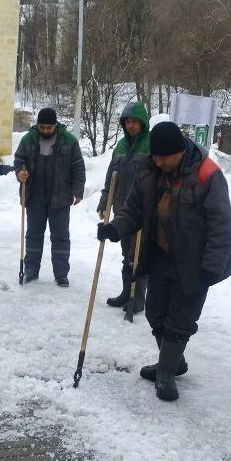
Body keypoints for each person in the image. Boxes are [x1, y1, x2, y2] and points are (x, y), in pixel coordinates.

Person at [97, 121, 231, 401]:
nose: (158, 162)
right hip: (159, 254)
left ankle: (166, 372)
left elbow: (222, 226)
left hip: (195, 262)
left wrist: (212, 267)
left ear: (180, 151)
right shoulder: (150, 172)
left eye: (163, 157)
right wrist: (115, 228)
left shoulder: (207, 174)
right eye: (155, 156)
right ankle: (173, 361)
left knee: (180, 319)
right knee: (155, 313)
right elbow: (133, 209)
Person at [13, 108, 85, 286]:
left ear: (55, 125)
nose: (45, 130)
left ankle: (61, 274)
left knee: (60, 236)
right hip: (35, 195)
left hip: (60, 195)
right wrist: (20, 172)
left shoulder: (69, 141)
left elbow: (78, 166)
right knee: (33, 235)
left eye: (49, 127)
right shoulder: (28, 139)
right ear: (37, 125)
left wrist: (78, 190)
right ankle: (31, 270)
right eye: (42, 127)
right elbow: (19, 160)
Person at [98, 101, 152, 311]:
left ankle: (137, 298)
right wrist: (105, 202)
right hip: (122, 210)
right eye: (127, 122)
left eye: (134, 122)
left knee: (137, 256)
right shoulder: (121, 146)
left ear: (142, 122)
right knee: (126, 253)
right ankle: (125, 292)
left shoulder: (151, 144)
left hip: (142, 210)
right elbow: (110, 178)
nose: (130, 126)